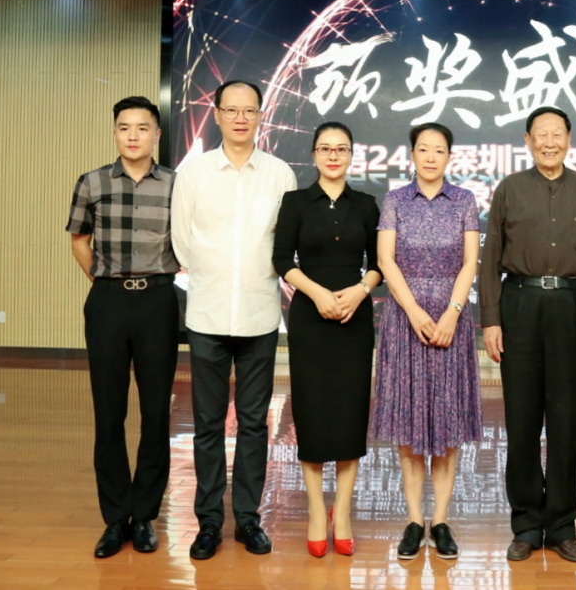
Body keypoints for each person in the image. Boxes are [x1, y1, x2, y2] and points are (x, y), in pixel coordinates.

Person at [479, 106, 576, 563]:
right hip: (518, 305)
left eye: (557, 134)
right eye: (541, 134)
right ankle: (525, 525)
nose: (549, 142)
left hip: (570, 308)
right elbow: (490, 257)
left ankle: (561, 526)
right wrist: (491, 319)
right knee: (520, 421)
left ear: (569, 140)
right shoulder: (509, 188)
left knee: (566, 421)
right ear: (527, 140)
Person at [171, 80, 298, 560]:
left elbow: (284, 243)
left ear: (260, 115)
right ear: (218, 114)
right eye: (232, 110)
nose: (240, 118)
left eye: (249, 111)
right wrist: (212, 277)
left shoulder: (280, 174)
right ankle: (208, 522)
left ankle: (248, 518)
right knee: (206, 424)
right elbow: (181, 240)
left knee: (253, 423)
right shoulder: (195, 173)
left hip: (260, 315)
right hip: (206, 313)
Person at [67, 96, 179, 559]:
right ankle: (116, 518)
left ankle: (145, 515)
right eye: (124, 127)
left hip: (158, 300)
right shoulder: (92, 182)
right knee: (109, 413)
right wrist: (103, 282)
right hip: (108, 301)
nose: (133, 135)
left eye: (142, 127)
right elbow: (79, 240)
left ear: (157, 134)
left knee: (155, 413)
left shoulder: (176, 184)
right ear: (115, 132)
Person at [372, 123, 482, 561]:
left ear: (449, 157)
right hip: (405, 319)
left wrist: (452, 313)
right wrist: (415, 311)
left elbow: (470, 262)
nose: (431, 157)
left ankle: (441, 521)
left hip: (452, 319)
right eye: (423, 149)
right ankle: (414, 520)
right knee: (409, 422)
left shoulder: (465, 200)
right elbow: (386, 260)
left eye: (439, 150)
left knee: (448, 423)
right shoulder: (395, 201)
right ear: (412, 155)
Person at [272, 122, 381, 558]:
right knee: (313, 411)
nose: (333, 156)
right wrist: (316, 293)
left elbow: (380, 262)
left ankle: (344, 512)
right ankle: (318, 511)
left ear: (351, 155)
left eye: (341, 149)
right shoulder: (295, 202)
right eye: (325, 148)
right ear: (314, 155)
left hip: (355, 318)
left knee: (351, 413)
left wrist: (360, 291)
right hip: (309, 318)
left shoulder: (367, 204)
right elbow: (282, 258)